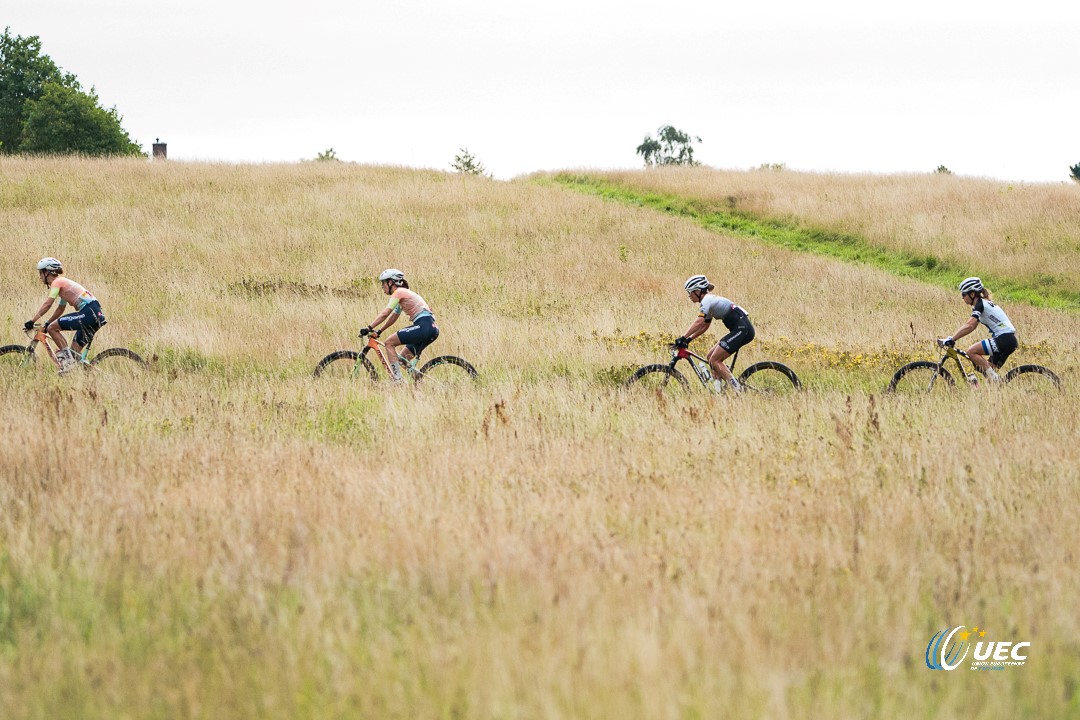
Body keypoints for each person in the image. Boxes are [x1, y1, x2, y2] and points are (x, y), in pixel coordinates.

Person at [24, 257, 107, 374]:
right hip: (95, 313)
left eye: (40, 273)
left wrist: (32, 321)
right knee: (74, 355)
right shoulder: (63, 284)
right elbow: (60, 309)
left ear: (47, 272)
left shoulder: (57, 282)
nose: (40, 277)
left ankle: (68, 365)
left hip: (89, 312)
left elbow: (48, 304)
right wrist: (47, 323)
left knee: (53, 329)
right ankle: (99, 375)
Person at [674, 275, 755, 393]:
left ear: (697, 291)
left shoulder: (706, 300)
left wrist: (683, 337)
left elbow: (699, 322)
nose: (689, 296)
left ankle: (738, 390)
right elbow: (705, 325)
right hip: (740, 329)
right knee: (710, 356)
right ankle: (718, 393)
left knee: (714, 360)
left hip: (743, 330)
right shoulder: (709, 301)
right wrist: (689, 339)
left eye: (690, 292)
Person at [362, 269, 439, 381]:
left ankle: (397, 380)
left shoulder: (399, 293)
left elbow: (385, 314)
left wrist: (369, 328)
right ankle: (418, 383)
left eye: (383, 283)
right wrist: (379, 331)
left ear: (391, 282)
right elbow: (393, 317)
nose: (382, 286)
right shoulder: (403, 295)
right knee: (402, 360)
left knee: (389, 343)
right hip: (432, 329)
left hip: (424, 326)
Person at [939, 277, 1017, 382]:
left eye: (963, 294)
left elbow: (969, 325)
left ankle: (997, 381)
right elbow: (973, 327)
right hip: (1009, 340)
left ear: (972, 294)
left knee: (971, 352)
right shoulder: (982, 304)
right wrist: (954, 338)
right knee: (984, 369)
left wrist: (952, 339)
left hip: (1004, 338)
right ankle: (997, 388)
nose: (962, 298)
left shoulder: (980, 304)